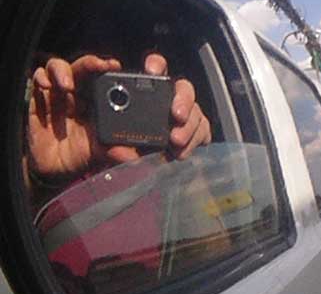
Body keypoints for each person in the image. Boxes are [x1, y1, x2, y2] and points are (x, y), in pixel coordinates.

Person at [25, 52, 212, 207]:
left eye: (149, 95)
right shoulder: (69, 145)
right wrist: (38, 179)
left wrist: (187, 166)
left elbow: (206, 235)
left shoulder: (162, 169)